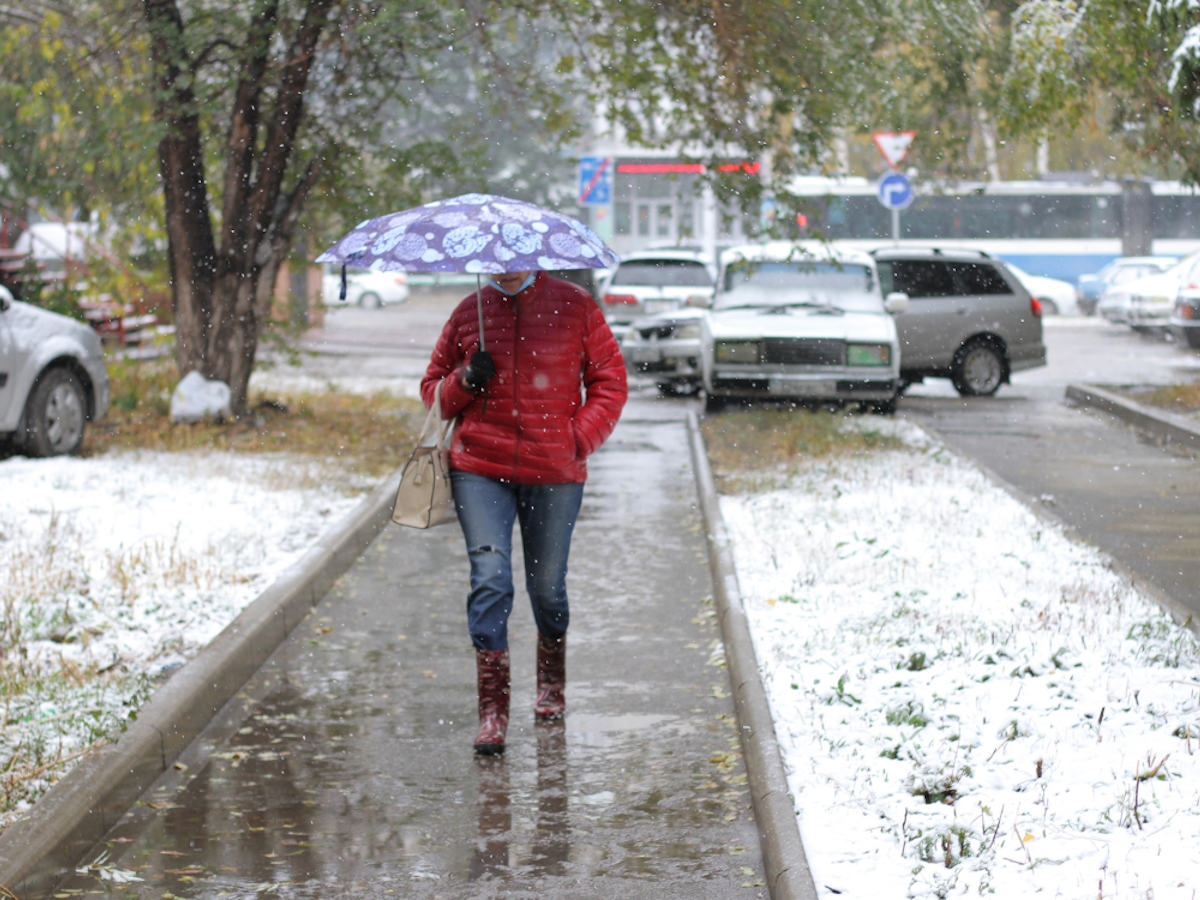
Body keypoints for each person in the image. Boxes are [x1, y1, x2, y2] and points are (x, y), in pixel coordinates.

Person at [421, 269, 627, 755]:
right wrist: (465, 380)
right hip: (479, 467)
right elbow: (433, 392)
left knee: (547, 588)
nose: (507, 265)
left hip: (554, 471)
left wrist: (577, 439)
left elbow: (610, 383)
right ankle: (493, 714)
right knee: (490, 577)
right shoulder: (468, 312)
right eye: (497, 258)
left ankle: (551, 682)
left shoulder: (575, 306)